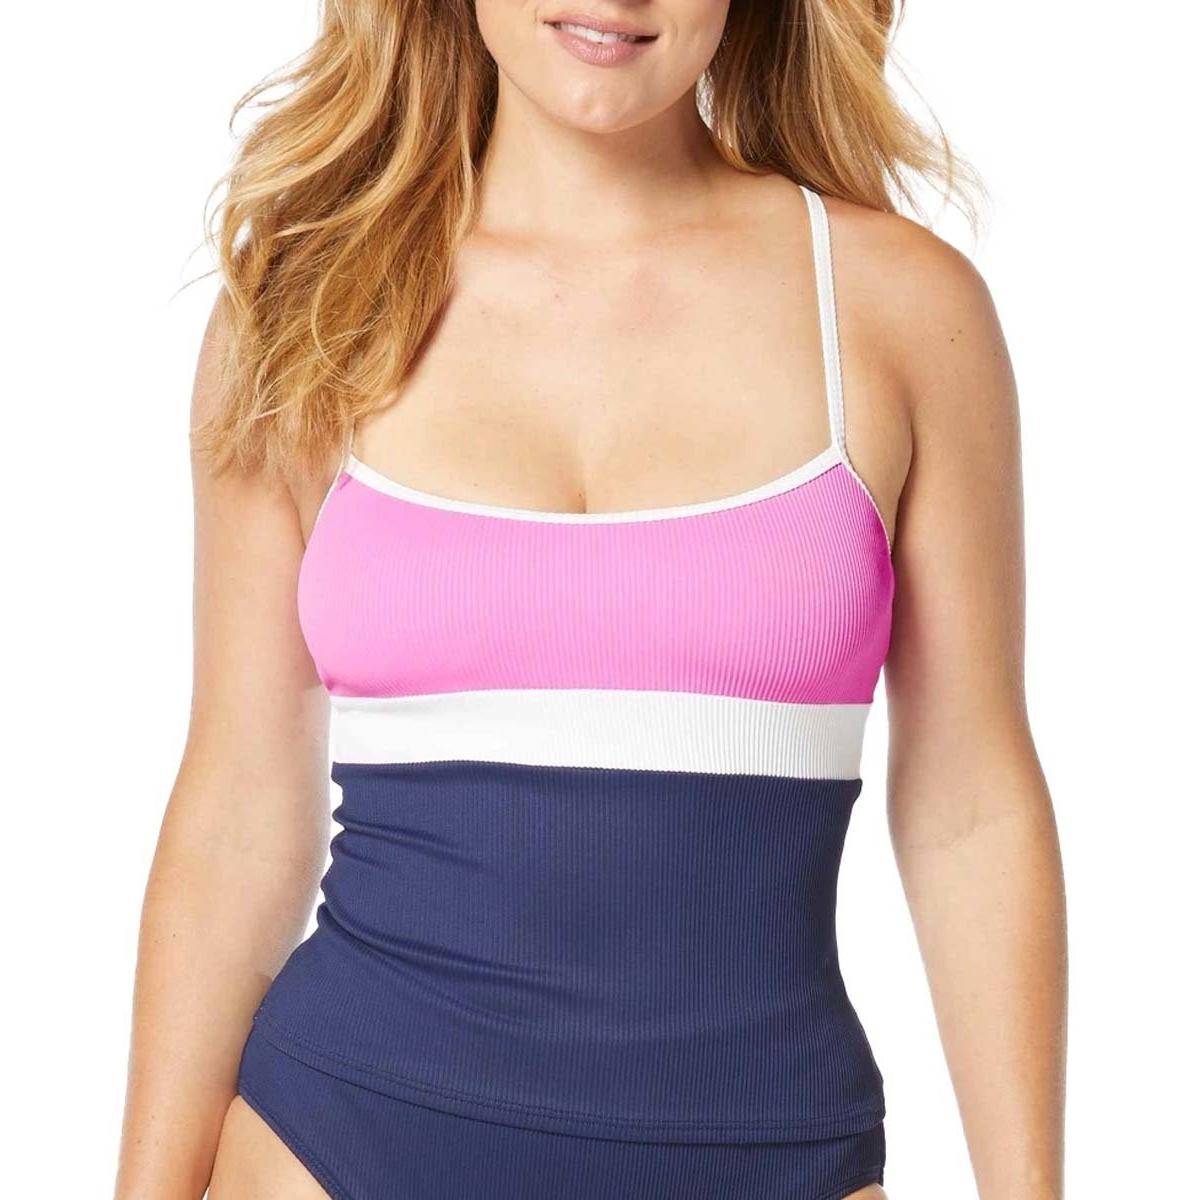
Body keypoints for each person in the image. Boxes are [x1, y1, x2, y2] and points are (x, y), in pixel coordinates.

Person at [114, 3, 1067, 1198]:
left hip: (764, 1148)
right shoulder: (307, 304)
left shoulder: (899, 309)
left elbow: (971, 804)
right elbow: (240, 807)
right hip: (340, 1134)